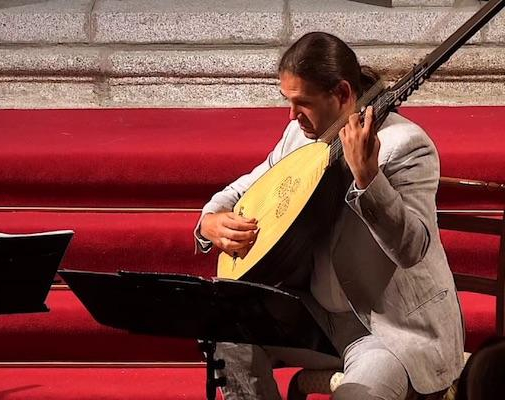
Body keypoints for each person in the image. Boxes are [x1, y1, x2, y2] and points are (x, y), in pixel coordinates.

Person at [195, 32, 464, 400]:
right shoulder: (299, 135)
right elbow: (246, 186)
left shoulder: (406, 145)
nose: (292, 115)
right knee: (229, 331)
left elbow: (412, 247)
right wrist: (211, 221)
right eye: (287, 101)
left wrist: (370, 181)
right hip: (318, 317)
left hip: (388, 331)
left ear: (341, 93)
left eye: (302, 103)